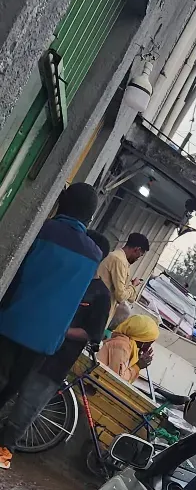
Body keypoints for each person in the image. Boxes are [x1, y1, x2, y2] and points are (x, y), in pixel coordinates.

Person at [0, 183, 102, 465]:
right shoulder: (94, 255)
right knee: (11, 387)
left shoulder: (41, 230)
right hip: (44, 341)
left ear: (61, 203)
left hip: (10, 321)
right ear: (89, 218)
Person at [97, 233, 150, 324]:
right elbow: (121, 296)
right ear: (137, 249)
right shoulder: (119, 260)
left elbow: (131, 299)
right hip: (98, 309)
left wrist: (131, 288)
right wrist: (133, 286)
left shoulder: (121, 260)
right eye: (140, 255)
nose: (138, 259)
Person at [98, 315, 159, 383]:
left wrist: (137, 358)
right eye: (150, 342)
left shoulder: (128, 346)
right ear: (141, 339)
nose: (149, 346)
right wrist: (138, 366)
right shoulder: (121, 346)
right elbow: (118, 379)